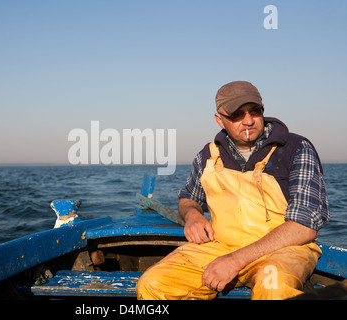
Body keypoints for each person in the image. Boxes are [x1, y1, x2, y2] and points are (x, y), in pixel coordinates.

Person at [136, 81, 330, 300]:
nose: (248, 120)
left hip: (284, 250)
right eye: (237, 114)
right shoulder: (208, 155)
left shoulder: (296, 149)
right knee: (153, 284)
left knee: (273, 288)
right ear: (220, 119)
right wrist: (192, 216)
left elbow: (304, 227)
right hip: (221, 246)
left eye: (254, 111)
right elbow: (188, 198)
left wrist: (236, 260)